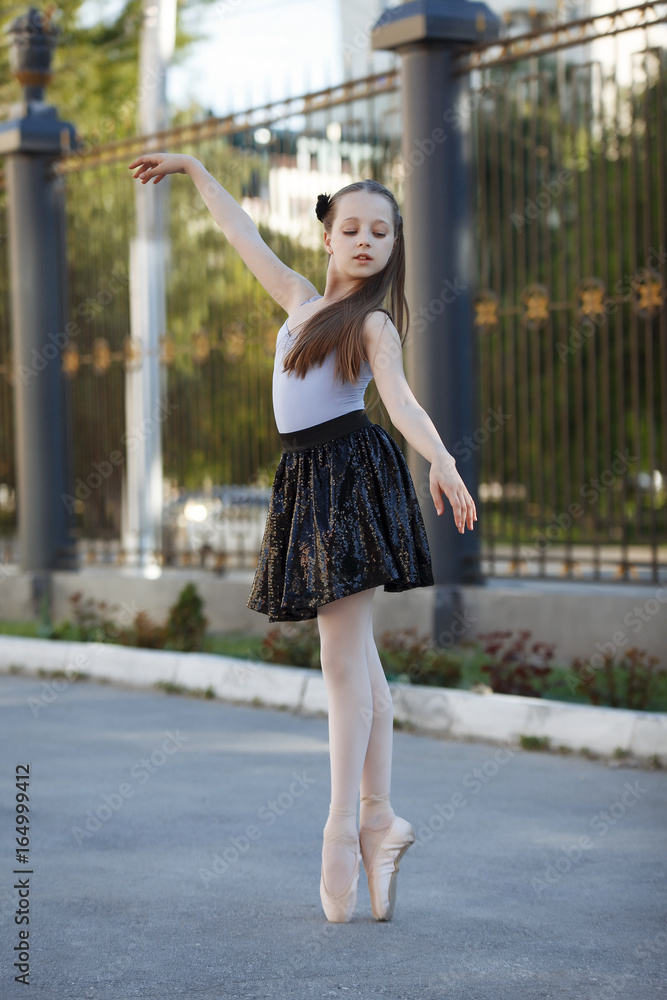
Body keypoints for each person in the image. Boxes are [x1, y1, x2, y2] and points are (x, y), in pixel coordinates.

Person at [129, 153, 477, 923]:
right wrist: (191, 168)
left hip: (349, 475)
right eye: (350, 227)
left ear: (391, 249)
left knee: (340, 663)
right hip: (306, 479)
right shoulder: (295, 301)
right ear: (327, 236)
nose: (364, 241)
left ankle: (340, 827)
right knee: (362, 670)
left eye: (379, 232)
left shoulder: (374, 324)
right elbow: (240, 230)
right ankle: (378, 818)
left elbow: (403, 403)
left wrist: (443, 459)